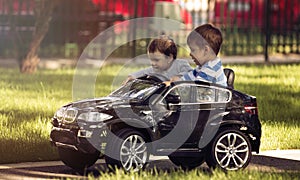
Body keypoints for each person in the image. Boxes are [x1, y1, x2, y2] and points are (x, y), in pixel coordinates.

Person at [124, 35, 192, 83]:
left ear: (169, 58)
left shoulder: (180, 64)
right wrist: (132, 76)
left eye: (156, 60)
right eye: (151, 59)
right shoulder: (156, 69)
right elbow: (144, 72)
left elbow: (190, 73)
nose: (153, 63)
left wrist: (178, 77)